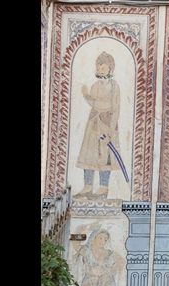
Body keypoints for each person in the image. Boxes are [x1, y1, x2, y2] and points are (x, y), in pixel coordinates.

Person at [74, 52, 122, 200]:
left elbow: (115, 108)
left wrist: (111, 130)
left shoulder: (114, 86)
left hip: (107, 122)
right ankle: (88, 186)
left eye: (103, 68)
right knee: (89, 154)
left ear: (110, 69)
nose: (100, 71)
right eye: (99, 68)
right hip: (94, 122)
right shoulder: (95, 85)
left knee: (105, 155)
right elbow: (94, 103)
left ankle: (103, 187)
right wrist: (86, 95)